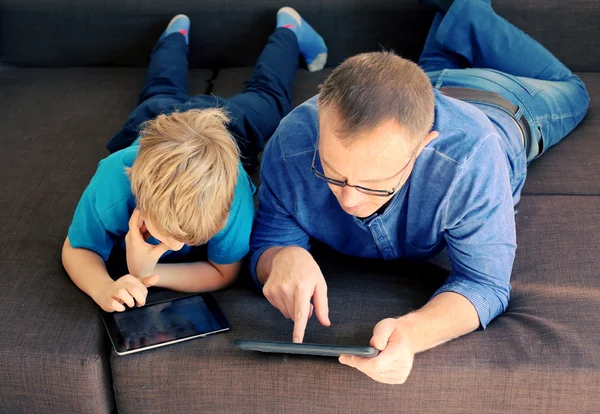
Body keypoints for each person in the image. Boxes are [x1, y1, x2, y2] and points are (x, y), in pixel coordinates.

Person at [249, 0, 589, 384]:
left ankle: (465, 9)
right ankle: (452, 29)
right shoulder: (292, 142)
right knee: (427, 73)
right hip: (414, 88)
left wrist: (413, 332)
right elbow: (268, 241)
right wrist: (282, 256)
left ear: (423, 148)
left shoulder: (471, 160)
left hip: (503, 101)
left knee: (577, 91)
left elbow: (485, 284)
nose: (349, 200)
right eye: (332, 172)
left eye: (373, 183)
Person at [62, 8, 328, 313]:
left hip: (226, 128)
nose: (174, 248)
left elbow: (223, 273)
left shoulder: (234, 200)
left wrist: (147, 274)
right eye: (165, 237)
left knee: (269, 97)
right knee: (159, 89)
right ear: (140, 202)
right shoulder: (111, 185)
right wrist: (103, 287)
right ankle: (175, 36)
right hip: (154, 123)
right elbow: (77, 248)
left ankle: (290, 29)